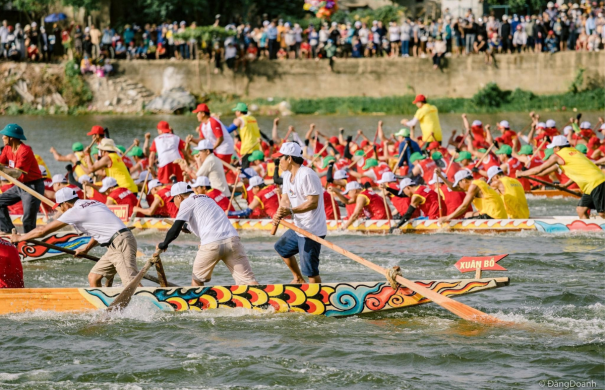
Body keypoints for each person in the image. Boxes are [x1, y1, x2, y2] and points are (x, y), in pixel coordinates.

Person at [12, 187, 139, 287]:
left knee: (131, 283)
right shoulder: (92, 202)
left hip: (120, 243)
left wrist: (19, 238)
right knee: (94, 277)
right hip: (119, 241)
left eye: (60, 206)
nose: (61, 210)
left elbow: (42, 231)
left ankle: (152, 306)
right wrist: (86, 249)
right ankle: (104, 307)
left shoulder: (74, 210)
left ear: (66, 204)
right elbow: (101, 230)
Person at [156, 182, 258, 286]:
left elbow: (175, 228)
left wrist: (164, 243)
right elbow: (206, 223)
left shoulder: (186, 202)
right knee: (248, 280)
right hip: (232, 240)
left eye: (173, 200)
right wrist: (186, 227)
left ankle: (197, 302)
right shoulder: (207, 198)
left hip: (211, 244)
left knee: (197, 279)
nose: (174, 203)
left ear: (179, 197)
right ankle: (262, 299)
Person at [272, 142, 326, 284]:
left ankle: (317, 299)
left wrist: (290, 211)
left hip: (312, 228)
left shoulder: (307, 174)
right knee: (281, 248)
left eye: (280, 158)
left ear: (289, 158)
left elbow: (312, 203)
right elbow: (285, 200)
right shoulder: (285, 175)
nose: (278, 162)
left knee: (310, 270)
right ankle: (298, 279)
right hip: (299, 226)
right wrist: (279, 213)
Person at [518, 135, 605, 218]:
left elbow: (539, 170)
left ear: (558, 147)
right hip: (592, 184)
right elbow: (577, 173)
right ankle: (589, 230)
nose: (553, 150)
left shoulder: (557, 156)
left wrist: (521, 174)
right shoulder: (575, 151)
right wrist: (565, 185)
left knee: (602, 213)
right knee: (581, 210)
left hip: (596, 183)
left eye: (554, 147)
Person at [0, 124, 44, 233]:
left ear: (12, 138)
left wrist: (2, 169)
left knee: (27, 220)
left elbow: (17, 174)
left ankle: (30, 243)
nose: (2, 138)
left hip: (33, 187)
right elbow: (1, 164)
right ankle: (9, 231)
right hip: (19, 185)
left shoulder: (25, 151)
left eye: (4, 136)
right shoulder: (7, 148)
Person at [438, 169, 508, 223]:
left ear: (464, 180)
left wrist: (447, 218)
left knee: (460, 222)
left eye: (459, 184)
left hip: (493, 217)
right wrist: (440, 176)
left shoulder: (474, 186)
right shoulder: (478, 183)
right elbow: (453, 188)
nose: (459, 186)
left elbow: (464, 206)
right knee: (468, 215)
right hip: (500, 216)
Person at [228, 103, 261, 168]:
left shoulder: (240, 119)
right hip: (256, 146)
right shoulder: (253, 118)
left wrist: (218, 123)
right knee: (254, 168)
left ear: (239, 112)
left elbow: (228, 130)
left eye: (236, 111)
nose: (235, 113)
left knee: (245, 170)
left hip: (247, 148)